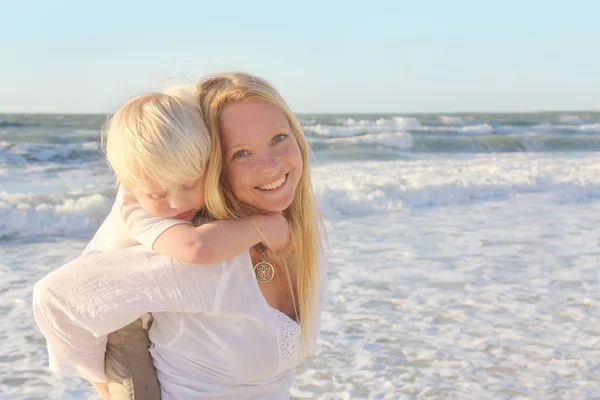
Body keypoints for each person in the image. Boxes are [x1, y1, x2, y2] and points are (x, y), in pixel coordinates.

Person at [33, 72, 326, 400]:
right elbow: (55, 298)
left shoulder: (302, 231)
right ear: (214, 166)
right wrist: (100, 382)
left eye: (278, 138)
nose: (271, 165)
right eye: (240, 153)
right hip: (121, 335)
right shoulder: (198, 253)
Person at [81, 84, 290, 399]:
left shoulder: (164, 189)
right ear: (128, 184)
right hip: (114, 322)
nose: (178, 204)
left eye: (190, 183)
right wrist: (261, 226)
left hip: (141, 302)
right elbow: (196, 247)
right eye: (158, 194)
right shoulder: (137, 211)